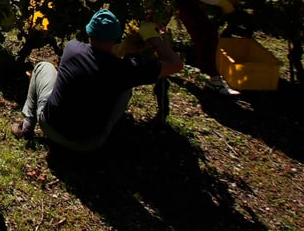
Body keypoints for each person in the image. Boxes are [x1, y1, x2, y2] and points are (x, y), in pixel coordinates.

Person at [11, 9, 182, 151]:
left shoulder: (72, 48)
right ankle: (114, 134)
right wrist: (152, 36)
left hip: (49, 127)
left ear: (89, 33)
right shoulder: (125, 70)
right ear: (117, 38)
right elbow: (175, 64)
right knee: (125, 90)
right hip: (89, 144)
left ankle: (27, 123)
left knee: (43, 67)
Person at [170, 0, 278, 95]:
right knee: (207, 35)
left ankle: (149, 56)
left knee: (156, 26)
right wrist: (224, 5)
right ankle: (213, 80)